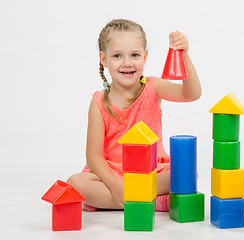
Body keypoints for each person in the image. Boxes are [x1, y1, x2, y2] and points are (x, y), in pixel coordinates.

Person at [67, 19, 201, 212]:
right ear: (103, 59)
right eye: (117, 56)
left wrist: (184, 56)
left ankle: (118, 201)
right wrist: (115, 186)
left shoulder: (154, 87)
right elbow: (93, 156)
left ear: (145, 56)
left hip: (152, 171)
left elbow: (192, 94)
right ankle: (149, 201)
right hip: (114, 174)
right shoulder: (98, 103)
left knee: (187, 173)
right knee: (76, 183)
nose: (127, 63)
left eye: (135, 55)